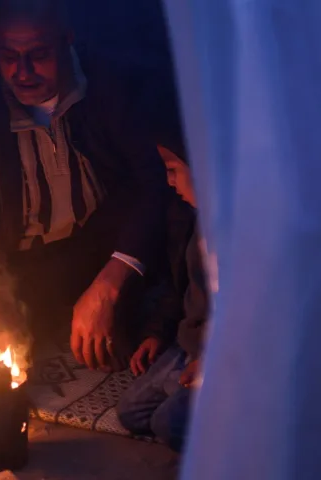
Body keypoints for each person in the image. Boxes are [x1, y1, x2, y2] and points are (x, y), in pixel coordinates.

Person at [0, 0, 169, 370]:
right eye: (9, 57)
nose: (23, 71)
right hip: (25, 264)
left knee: (117, 350)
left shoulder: (108, 87)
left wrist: (109, 285)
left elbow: (153, 182)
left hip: (100, 249)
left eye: (38, 55)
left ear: (67, 40)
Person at [117, 146, 210, 451]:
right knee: (132, 412)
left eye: (174, 170)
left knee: (167, 425)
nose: (170, 181)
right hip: (191, 344)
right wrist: (158, 333)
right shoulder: (191, 217)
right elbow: (180, 285)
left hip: (229, 353)